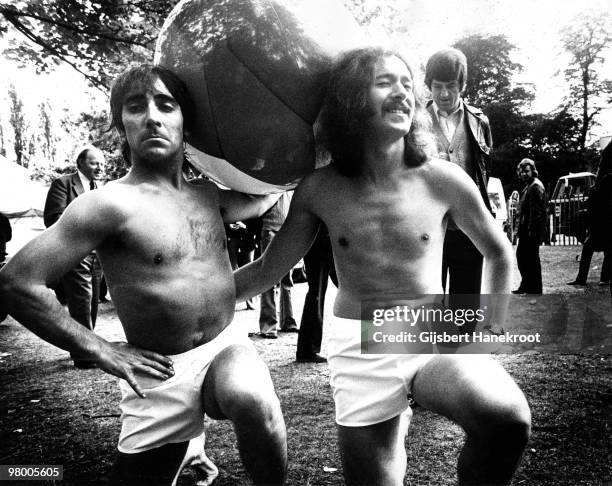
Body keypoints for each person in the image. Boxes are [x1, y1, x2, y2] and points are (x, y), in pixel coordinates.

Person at [235, 47, 530, 485]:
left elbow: (499, 252)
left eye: (407, 84)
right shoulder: (319, 189)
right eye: (385, 82)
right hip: (358, 345)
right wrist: (195, 303)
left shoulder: (443, 179)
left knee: (507, 419)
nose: (402, 93)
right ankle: (393, 427)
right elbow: (265, 270)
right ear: (352, 100)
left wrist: (489, 329)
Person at [0, 64, 286, 486]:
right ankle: (185, 441)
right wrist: (101, 349)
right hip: (157, 373)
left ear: (186, 121)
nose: (152, 116)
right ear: (122, 125)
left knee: (254, 399)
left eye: (166, 105)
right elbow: (16, 281)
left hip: (224, 347)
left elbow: (270, 191)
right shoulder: (107, 204)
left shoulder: (212, 198)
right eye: (137, 107)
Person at [424, 48, 493, 307]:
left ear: (462, 85)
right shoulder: (415, 121)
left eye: (451, 86)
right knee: (428, 307)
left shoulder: (480, 122)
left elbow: (484, 173)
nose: (443, 94)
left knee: (466, 307)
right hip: (428, 228)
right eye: (437, 86)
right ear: (428, 85)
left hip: (469, 228)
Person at [43, 146, 105, 368]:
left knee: (93, 303)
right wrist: (82, 234)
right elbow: (53, 218)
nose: (100, 168)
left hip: (97, 254)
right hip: (73, 252)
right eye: (94, 163)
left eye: (101, 164)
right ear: (80, 164)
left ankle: (83, 347)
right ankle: (84, 356)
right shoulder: (63, 184)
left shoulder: (99, 189)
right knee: (81, 301)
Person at [258, 191, 298, 338]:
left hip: (288, 231)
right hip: (271, 228)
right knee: (269, 279)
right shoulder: (270, 181)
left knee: (287, 280)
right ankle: (268, 325)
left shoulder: (292, 183)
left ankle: (288, 321)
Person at [295, 224, 337, 363]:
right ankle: (307, 349)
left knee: (316, 293)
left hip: (317, 236)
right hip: (325, 237)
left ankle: (306, 348)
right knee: (316, 293)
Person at [513, 158, 547, 295]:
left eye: (526, 171)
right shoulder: (529, 186)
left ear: (533, 171)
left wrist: (532, 232)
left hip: (531, 231)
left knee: (530, 259)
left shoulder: (535, 186)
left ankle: (534, 289)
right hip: (526, 230)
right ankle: (526, 285)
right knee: (523, 257)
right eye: (521, 172)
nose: (523, 174)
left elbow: (536, 213)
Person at [585, 140, 612, 296]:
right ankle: (604, 278)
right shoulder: (606, 178)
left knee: (605, 249)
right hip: (603, 218)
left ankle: (603, 277)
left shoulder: (603, 179)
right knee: (608, 249)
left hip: (602, 218)